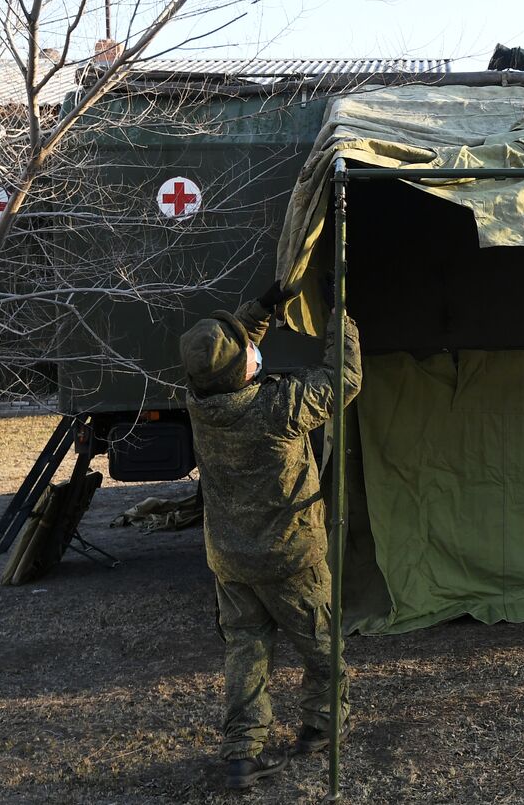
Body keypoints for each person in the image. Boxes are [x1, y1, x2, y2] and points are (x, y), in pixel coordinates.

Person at [178, 282, 362, 790]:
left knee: (245, 652)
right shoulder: (280, 407)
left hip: (231, 563)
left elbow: (226, 359)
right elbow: (343, 377)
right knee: (322, 647)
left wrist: (257, 310)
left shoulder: (199, 401)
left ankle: (241, 753)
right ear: (244, 369)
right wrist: (340, 317)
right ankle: (321, 729)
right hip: (291, 559)